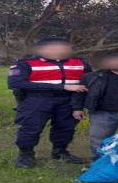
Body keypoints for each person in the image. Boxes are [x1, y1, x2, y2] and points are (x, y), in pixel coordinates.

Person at [7, 38, 92, 168]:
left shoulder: (80, 62)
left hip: (68, 100)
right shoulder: (25, 63)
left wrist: (78, 105)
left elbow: (88, 82)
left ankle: (60, 151)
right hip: (36, 100)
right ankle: (26, 155)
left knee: (65, 127)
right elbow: (15, 83)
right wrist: (62, 87)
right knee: (31, 128)